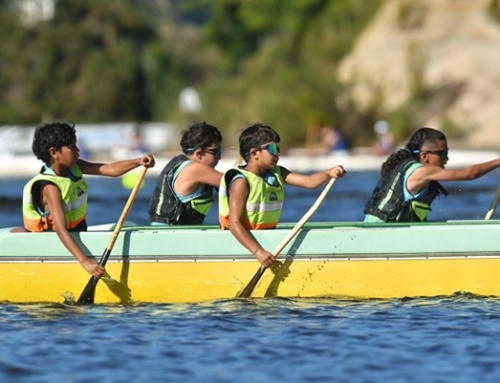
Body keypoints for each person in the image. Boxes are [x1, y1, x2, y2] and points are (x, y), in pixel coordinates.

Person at [22, 121, 155, 277]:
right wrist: (85, 261)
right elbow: (60, 229)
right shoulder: (50, 187)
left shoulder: (75, 167)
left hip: (75, 233)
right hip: (52, 242)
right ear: (54, 152)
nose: (78, 150)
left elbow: (109, 169)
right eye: (72, 146)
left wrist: (138, 161)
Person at [219, 123, 346, 268]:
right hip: (241, 245)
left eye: (278, 148)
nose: (277, 153)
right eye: (272, 149)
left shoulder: (278, 173)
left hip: (265, 242)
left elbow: (309, 182)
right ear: (255, 153)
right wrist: (258, 252)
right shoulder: (241, 181)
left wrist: (328, 173)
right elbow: (234, 224)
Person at [364, 126, 500, 223]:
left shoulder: (411, 167)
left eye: (447, 152)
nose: (446, 158)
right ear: (424, 156)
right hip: (382, 231)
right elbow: (469, 174)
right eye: (442, 153)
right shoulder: (422, 171)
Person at [148, 121, 223, 225]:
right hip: (168, 235)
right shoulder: (195, 169)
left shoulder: (180, 165)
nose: (219, 157)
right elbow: (236, 182)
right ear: (199, 153)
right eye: (217, 152)